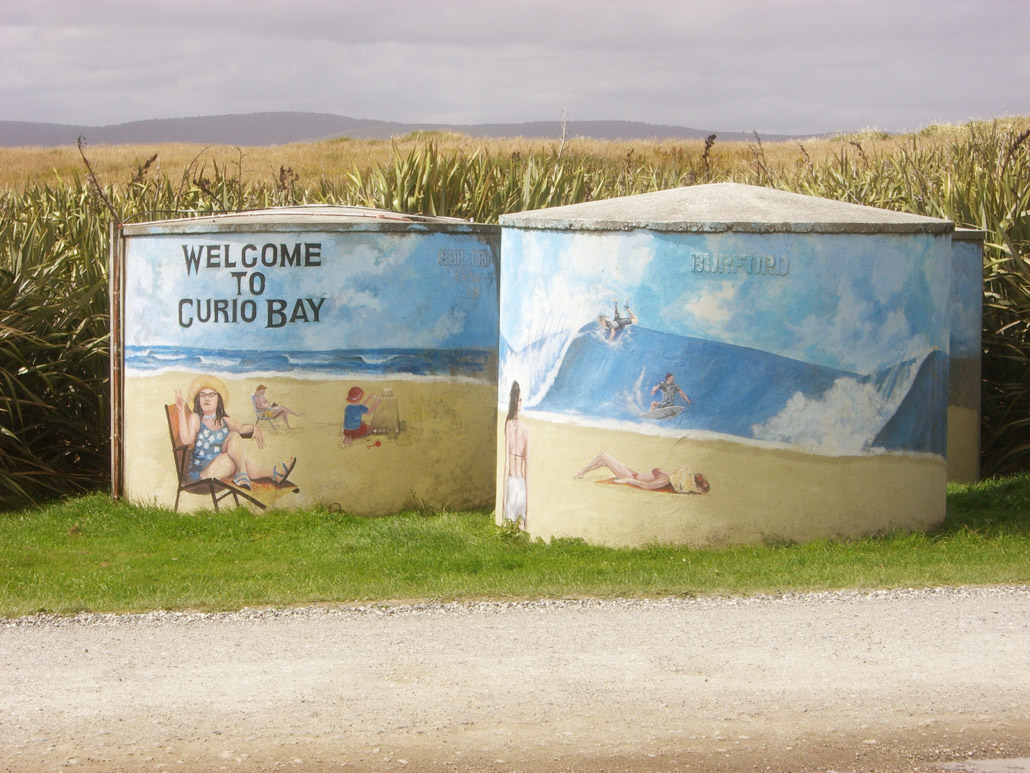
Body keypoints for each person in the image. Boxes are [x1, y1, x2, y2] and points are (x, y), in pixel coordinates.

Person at [174, 375, 296, 490]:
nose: (206, 398)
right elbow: (187, 440)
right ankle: (264, 473)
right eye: (203, 395)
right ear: (198, 399)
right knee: (234, 458)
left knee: (234, 436)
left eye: (211, 394)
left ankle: (255, 473)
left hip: (222, 467)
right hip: (202, 474)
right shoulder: (196, 418)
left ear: (218, 399)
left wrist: (255, 428)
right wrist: (180, 412)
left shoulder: (224, 420)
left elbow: (242, 428)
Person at [573, 451, 710, 494]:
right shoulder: (667, 476)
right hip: (634, 473)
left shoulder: (665, 479)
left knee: (602, 456)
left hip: (631, 476)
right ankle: (582, 472)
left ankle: (581, 472)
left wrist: (628, 481)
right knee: (603, 460)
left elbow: (646, 486)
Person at [502, 381, 530, 528]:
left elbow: (526, 469)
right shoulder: (518, 428)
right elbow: (525, 469)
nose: (519, 403)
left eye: (520, 399)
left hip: (515, 483)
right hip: (515, 483)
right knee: (516, 525)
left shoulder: (513, 427)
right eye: (518, 399)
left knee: (512, 524)